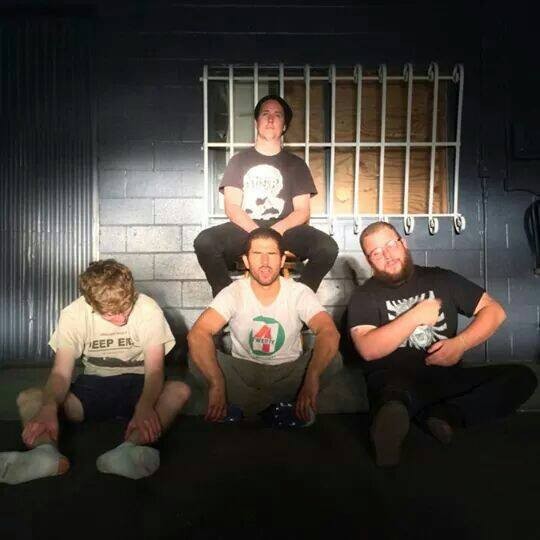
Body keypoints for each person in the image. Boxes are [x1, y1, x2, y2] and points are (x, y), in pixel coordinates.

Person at [347, 221, 537, 467]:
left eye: (391, 245)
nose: (387, 255)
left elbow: (494, 311)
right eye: (376, 252)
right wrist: (415, 316)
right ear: (368, 260)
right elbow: (368, 349)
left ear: (404, 244)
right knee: (391, 399)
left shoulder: (441, 278)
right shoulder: (364, 295)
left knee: (522, 377)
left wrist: (461, 344)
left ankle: (443, 415)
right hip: (396, 381)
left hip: (446, 376)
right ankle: (393, 430)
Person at [0, 260, 190, 484]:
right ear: (91, 304)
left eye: (126, 308)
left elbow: (155, 370)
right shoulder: (73, 314)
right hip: (92, 389)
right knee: (29, 397)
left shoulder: (148, 308)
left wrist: (146, 405)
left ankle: (128, 450)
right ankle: (45, 454)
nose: (122, 319)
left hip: (140, 386)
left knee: (179, 390)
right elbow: (61, 373)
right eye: (111, 314)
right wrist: (48, 407)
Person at [188, 227, 341, 425]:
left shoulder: (299, 292)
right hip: (244, 372)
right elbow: (199, 332)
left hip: (287, 373)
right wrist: (216, 383)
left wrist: (312, 378)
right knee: (196, 356)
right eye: (257, 254)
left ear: (282, 260)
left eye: (272, 254)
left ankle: (244, 408)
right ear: (246, 261)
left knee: (333, 359)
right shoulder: (233, 292)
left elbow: (328, 331)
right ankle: (279, 409)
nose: (265, 262)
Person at [194, 94, 338, 297]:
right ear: (257, 122)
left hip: (285, 230)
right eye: (265, 114)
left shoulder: (296, 164)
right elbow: (232, 207)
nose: (270, 119)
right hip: (246, 228)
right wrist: (257, 233)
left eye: (277, 115)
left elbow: (302, 211)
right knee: (205, 242)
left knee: (327, 247)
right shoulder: (238, 160)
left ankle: (299, 301)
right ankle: (228, 302)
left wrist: (274, 232)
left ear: (284, 126)